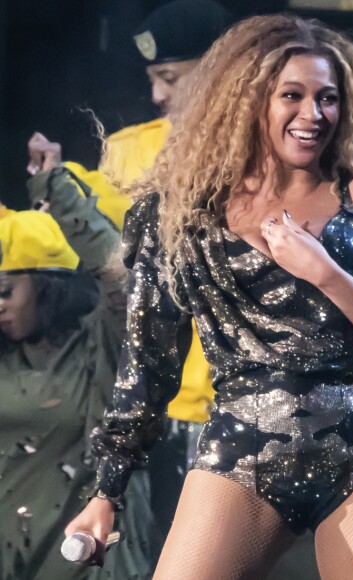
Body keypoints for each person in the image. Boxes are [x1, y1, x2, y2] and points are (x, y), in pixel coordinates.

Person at [65, 13, 353, 579]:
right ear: (248, 101)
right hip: (240, 455)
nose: (313, 115)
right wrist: (106, 492)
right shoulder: (175, 217)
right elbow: (147, 365)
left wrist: (325, 272)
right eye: (291, 95)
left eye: (328, 98)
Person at [28, 0, 233, 537]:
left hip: (257, 397)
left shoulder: (276, 145)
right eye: (152, 78)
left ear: (220, 68)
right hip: (165, 404)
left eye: (169, 77)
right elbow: (81, 245)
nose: (158, 95)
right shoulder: (128, 152)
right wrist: (57, 192)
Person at [0, 197, 157, 578]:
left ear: (46, 286)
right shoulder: (8, 359)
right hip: (14, 554)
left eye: (6, 291)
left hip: (85, 554)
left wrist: (56, 187)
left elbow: (121, 276)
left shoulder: (99, 346)